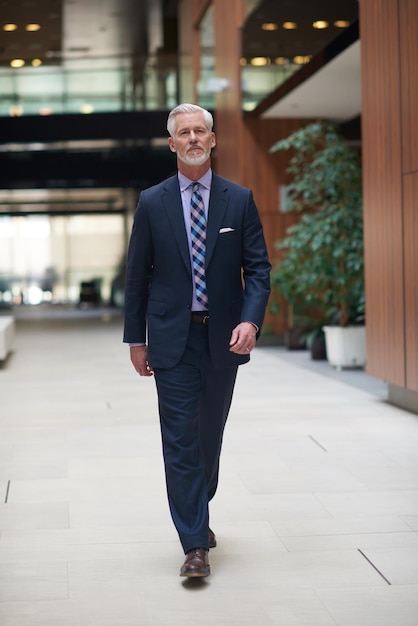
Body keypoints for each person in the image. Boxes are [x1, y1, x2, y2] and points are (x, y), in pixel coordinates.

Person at [123, 103, 271, 578]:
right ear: (172, 144)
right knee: (181, 440)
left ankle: (197, 508)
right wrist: (135, 340)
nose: (191, 138)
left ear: (212, 140)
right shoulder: (152, 202)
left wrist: (251, 322)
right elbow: (136, 278)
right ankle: (193, 544)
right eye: (183, 132)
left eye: (199, 131)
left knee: (209, 437)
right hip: (171, 340)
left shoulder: (239, 199)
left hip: (224, 340)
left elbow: (260, 271)